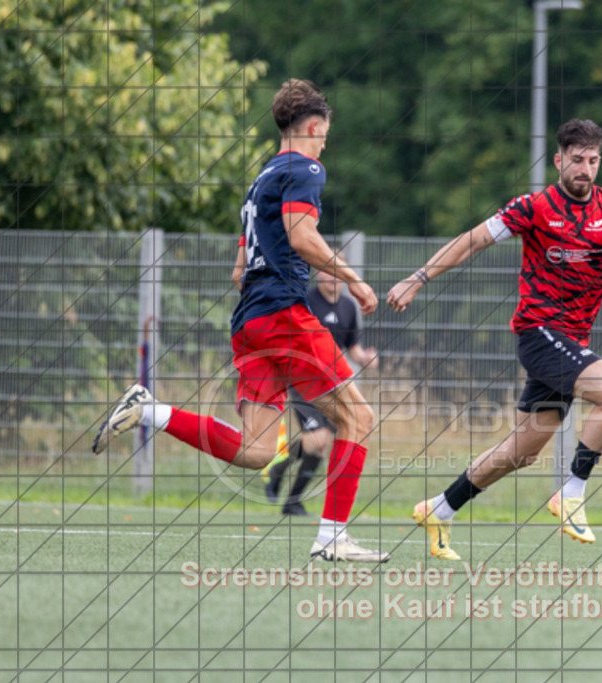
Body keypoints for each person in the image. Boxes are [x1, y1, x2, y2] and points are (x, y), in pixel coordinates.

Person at [93, 78, 389, 562]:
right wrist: (353, 278)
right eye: (325, 135)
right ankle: (332, 537)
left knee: (257, 451)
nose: (323, 145)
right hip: (283, 315)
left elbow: (239, 271)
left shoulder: (261, 181)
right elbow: (302, 237)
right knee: (359, 417)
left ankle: (149, 412)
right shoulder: (306, 168)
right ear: (314, 127)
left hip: (250, 321)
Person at [387, 119, 602, 560]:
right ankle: (571, 493)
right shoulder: (534, 207)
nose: (585, 169)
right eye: (576, 160)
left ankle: (439, 509)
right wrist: (418, 278)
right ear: (558, 160)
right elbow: (472, 241)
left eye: (593, 161)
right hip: (539, 332)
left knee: (520, 452)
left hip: (571, 343)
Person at [230, 253, 378, 516]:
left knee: (320, 443)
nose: (332, 276)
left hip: (332, 383)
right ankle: (292, 499)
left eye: (337, 270)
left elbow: (352, 347)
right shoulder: (304, 300)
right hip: (302, 379)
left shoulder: (348, 307)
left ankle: (284, 479)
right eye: (327, 269)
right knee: (318, 442)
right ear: (318, 272)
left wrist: (365, 358)